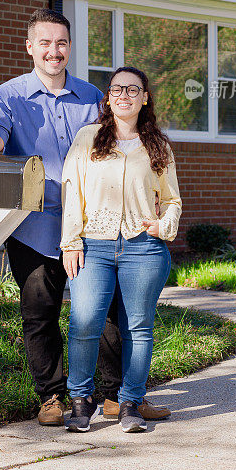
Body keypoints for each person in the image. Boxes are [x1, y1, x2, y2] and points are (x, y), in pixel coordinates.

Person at [0, 9, 130, 426]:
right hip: (33, 227)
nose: (55, 51)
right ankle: (51, 397)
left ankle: (111, 395)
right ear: (30, 47)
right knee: (40, 313)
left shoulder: (92, 97)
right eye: (46, 43)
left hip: (92, 226)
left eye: (62, 43)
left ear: (69, 47)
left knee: (106, 311)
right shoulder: (8, 96)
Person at [60, 66, 182, 433]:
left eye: (133, 89)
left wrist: (165, 225)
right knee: (84, 324)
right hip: (92, 246)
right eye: (117, 89)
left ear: (145, 97)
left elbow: (172, 199)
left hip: (144, 248)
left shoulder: (158, 145)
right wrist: (70, 241)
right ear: (108, 98)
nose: (124, 95)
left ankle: (131, 402)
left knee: (139, 329)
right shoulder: (88, 138)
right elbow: (71, 191)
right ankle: (81, 402)